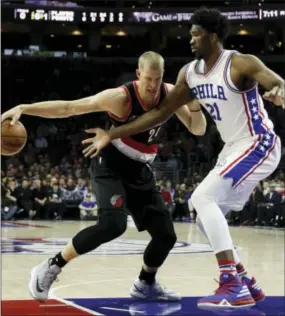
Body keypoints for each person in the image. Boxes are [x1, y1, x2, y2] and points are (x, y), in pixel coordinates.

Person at [81, 8, 284, 309]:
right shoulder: (188, 74)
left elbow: (277, 82)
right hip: (233, 148)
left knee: (202, 197)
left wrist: (280, 91)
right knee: (201, 213)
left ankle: (231, 283)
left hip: (259, 142)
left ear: (213, 36)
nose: (190, 39)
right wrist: (113, 134)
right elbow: (158, 114)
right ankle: (243, 279)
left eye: (196, 33)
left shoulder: (240, 63)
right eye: (190, 33)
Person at [1, 51, 206, 302]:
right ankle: (50, 267)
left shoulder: (170, 94)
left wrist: (194, 104)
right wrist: (24, 108)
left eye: (158, 78)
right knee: (113, 225)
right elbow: (69, 108)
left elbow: (198, 129)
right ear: (139, 74)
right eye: (148, 79)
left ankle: (145, 284)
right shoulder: (120, 98)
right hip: (110, 162)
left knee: (166, 236)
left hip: (141, 170)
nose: (153, 86)